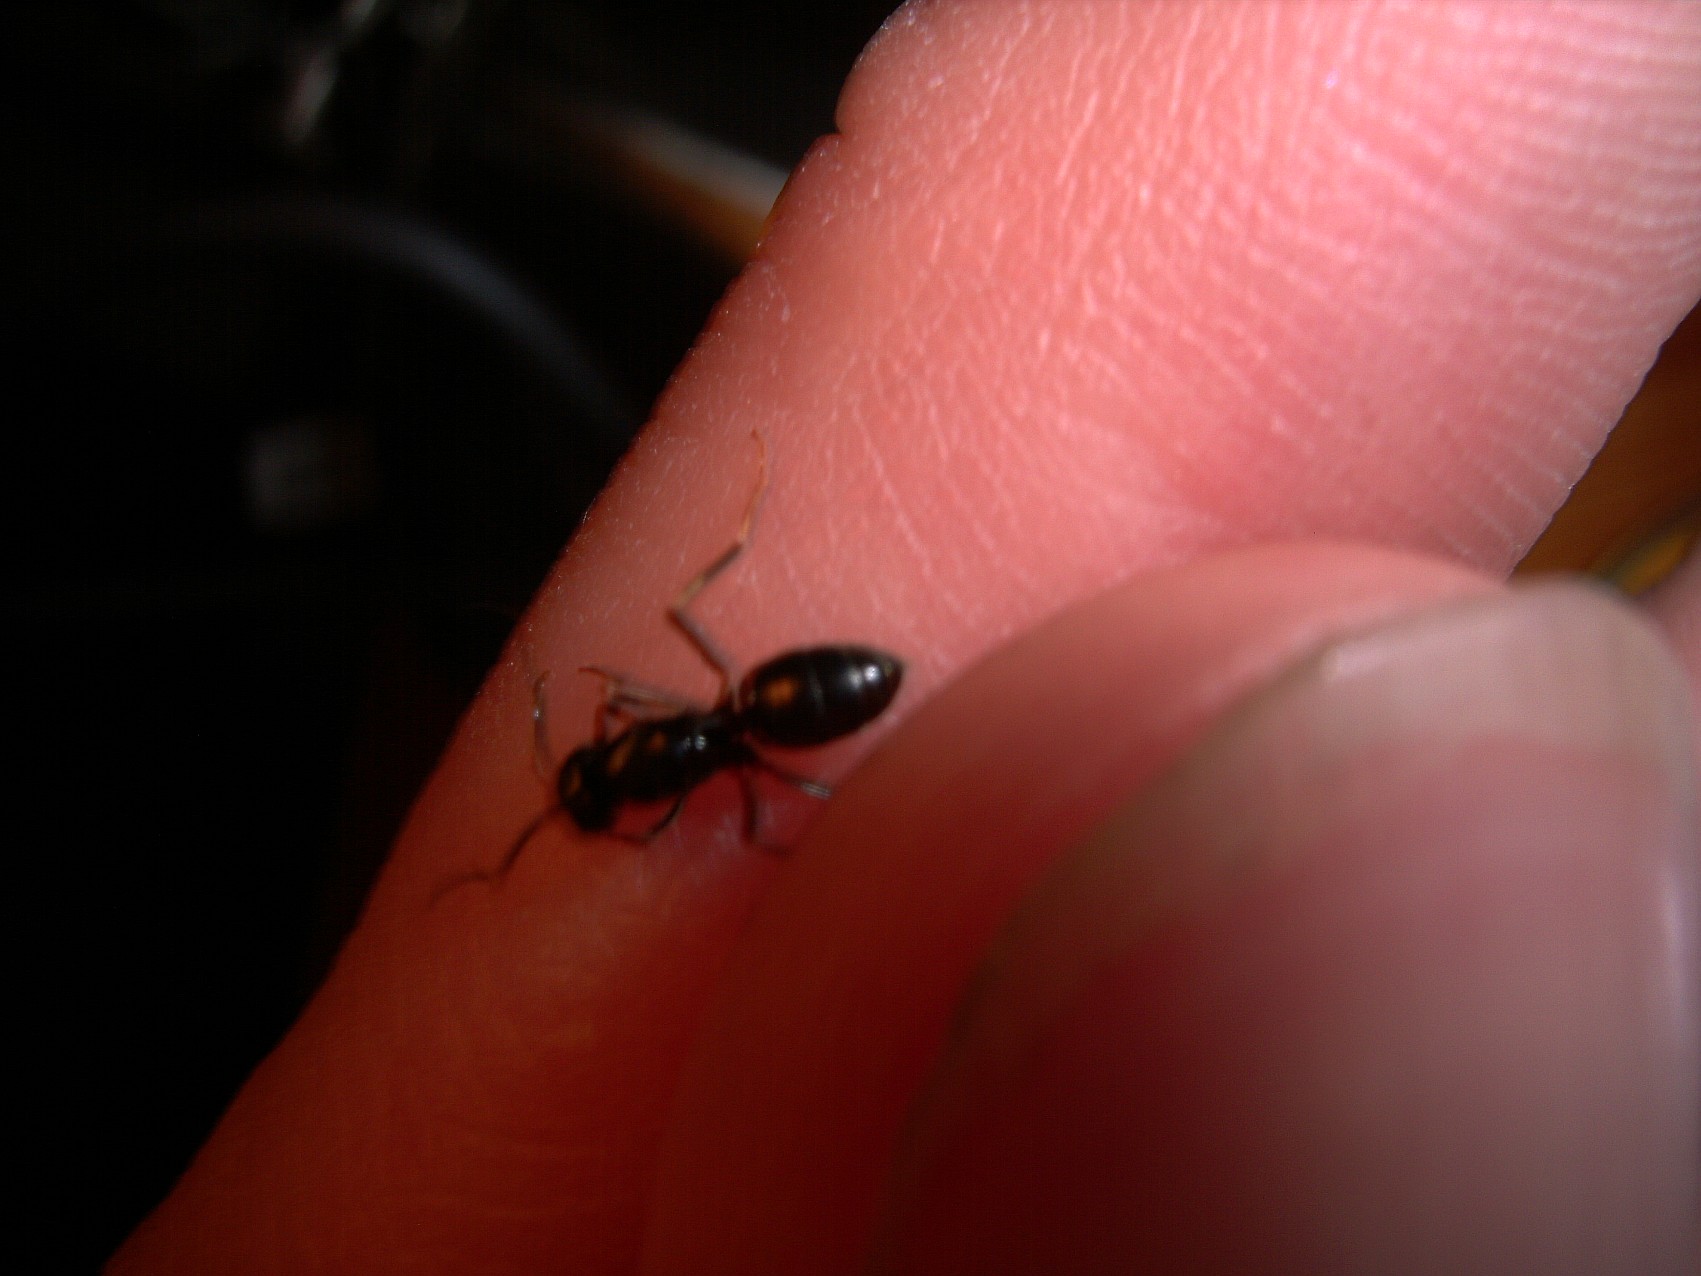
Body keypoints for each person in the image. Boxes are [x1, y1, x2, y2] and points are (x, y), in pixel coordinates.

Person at [111, 2, 1701, 1271]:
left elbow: (650, 756)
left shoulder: (685, 757)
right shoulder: (689, 749)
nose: (605, 765)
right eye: (600, 777)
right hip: (779, 711)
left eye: (596, 767)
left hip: (781, 706)